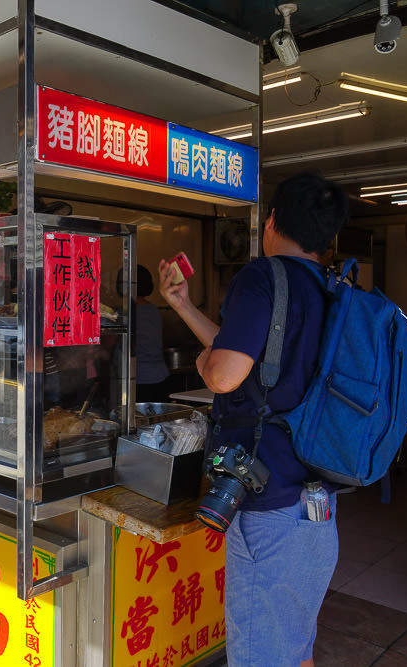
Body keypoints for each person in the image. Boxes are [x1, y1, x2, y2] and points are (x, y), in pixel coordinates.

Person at [159, 172, 348, 667]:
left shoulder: (262, 277)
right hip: (315, 504)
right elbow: (249, 355)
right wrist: (182, 305)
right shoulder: (330, 291)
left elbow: (223, 373)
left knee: (262, 653)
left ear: (272, 221)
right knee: (294, 643)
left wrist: (206, 365)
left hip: (271, 506)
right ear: (328, 237)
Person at [117, 265, 170, 403]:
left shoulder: (124, 313)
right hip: (160, 375)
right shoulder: (154, 310)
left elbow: (107, 344)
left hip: (137, 378)